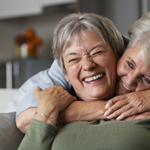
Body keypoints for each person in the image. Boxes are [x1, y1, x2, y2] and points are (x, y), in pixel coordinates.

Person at [18, 13, 150, 150]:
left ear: (117, 53)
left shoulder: (144, 112)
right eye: (129, 64)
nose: (87, 65)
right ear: (65, 74)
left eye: (97, 52)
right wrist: (116, 109)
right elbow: (24, 121)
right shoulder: (54, 96)